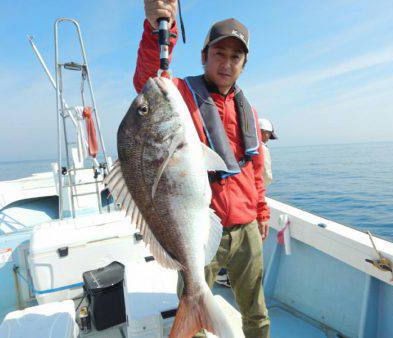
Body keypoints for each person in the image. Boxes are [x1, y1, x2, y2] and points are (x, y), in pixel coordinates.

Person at [134, 1, 270, 337]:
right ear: (203, 56)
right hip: (198, 227)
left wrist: (262, 212)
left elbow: (254, 167)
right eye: (219, 54)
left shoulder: (247, 109)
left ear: (244, 64)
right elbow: (149, 80)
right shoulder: (179, 94)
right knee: (192, 304)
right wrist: (158, 27)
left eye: (235, 57)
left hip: (247, 227)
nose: (226, 63)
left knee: (256, 312)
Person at [258, 118, 278, 187]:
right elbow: (267, 176)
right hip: (256, 189)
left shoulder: (245, 145)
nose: (268, 138)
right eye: (269, 134)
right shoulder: (262, 148)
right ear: (263, 132)